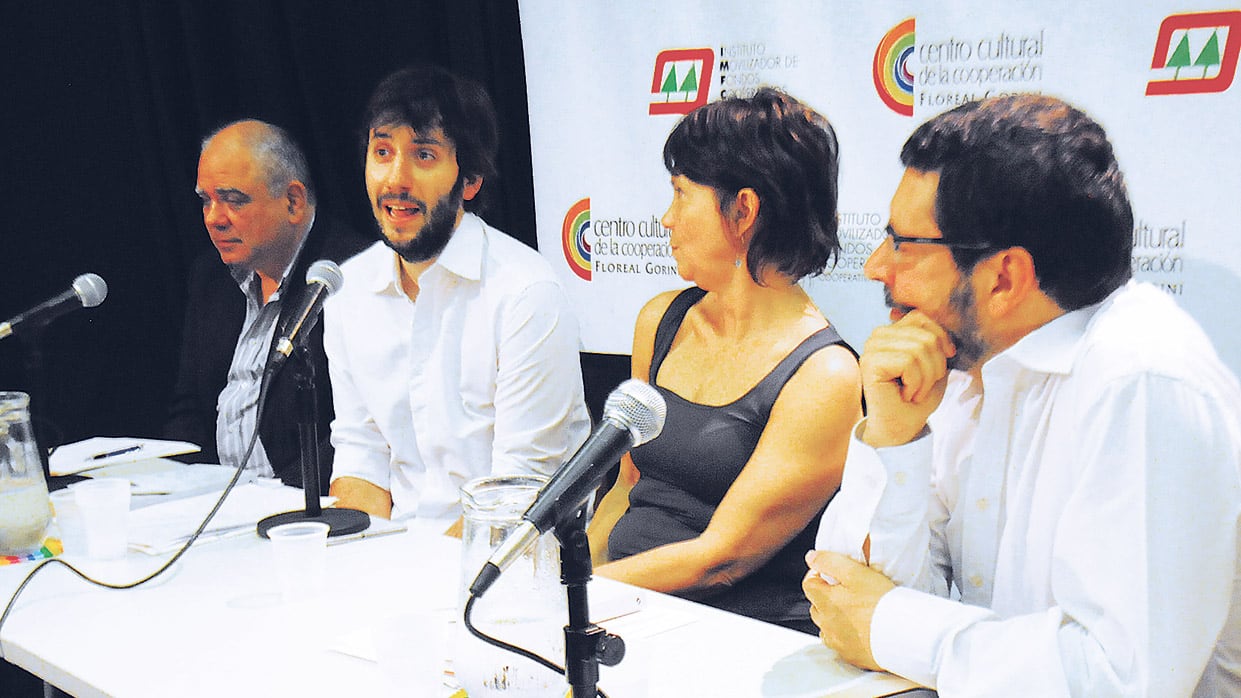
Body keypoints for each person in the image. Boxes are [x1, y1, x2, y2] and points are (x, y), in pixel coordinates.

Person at [803, 94, 1241, 696]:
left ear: (1003, 277)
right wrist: (893, 436)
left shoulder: (1141, 380)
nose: (877, 266)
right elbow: (843, 597)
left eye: (903, 243)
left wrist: (893, 625)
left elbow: (1120, 680)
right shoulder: (963, 364)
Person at [586, 88, 863, 633]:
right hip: (622, 612)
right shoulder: (660, 320)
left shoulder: (824, 374)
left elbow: (722, 556)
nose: (666, 218)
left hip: (738, 635)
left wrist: (580, 599)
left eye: (681, 194)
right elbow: (623, 487)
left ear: (743, 210)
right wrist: (572, 590)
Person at [323, 65, 591, 521]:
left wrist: (422, 580)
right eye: (382, 151)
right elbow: (360, 456)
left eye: (423, 155)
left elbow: (518, 492)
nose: (395, 180)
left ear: (470, 180)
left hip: (514, 559)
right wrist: (363, 565)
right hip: (401, 559)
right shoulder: (348, 290)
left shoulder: (526, 293)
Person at [165, 119, 370, 489]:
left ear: (293, 201)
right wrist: (173, 487)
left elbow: (361, 431)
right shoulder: (210, 276)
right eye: (206, 201)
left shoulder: (352, 275)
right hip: (214, 503)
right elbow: (190, 410)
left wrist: (270, 499)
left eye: (233, 200)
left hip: (297, 501)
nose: (214, 219)